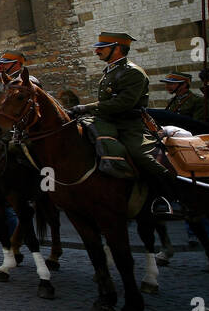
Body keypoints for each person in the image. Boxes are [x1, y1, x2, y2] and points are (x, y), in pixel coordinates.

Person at [70, 30, 188, 217]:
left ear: (117, 49)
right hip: (108, 122)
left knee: (141, 156)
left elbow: (123, 103)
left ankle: (173, 198)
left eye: (102, 48)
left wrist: (87, 107)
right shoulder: (112, 71)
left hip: (130, 125)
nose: (97, 52)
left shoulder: (133, 72)